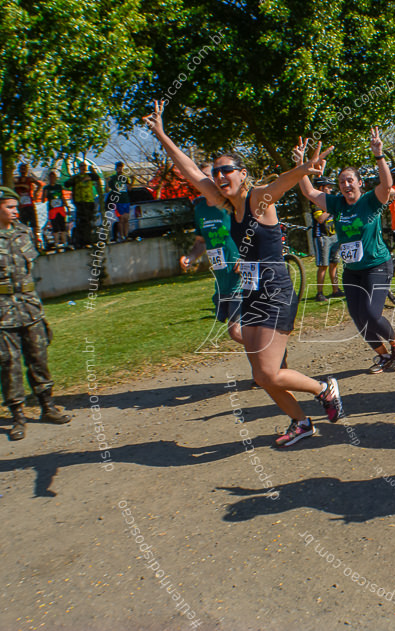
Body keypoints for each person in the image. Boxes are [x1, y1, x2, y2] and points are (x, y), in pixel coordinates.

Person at [144, 100, 343, 448]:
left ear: (243, 174)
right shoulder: (225, 204)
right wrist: (162, 135)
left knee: (268, 372)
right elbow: (191, 170)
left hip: (275, 291)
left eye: (228, 171)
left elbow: (280, 185)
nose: (220, 177)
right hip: (250, 291)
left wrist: (304, 170)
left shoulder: (257, 200)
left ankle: (323, 388)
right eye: (217, 173)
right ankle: (300, 422)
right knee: (262, 376)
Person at [295, 132, 395, 375]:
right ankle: (383, 355)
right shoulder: (336, 204)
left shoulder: (370, 201)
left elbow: (387, 185)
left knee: (371, 313)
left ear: (359, 183)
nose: (346, 185)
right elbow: (309, 193)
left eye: (350, 180)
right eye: (342, 181)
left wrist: (379, 155)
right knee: (358, 318)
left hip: (377, 265)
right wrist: (301, 167)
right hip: (353, 271)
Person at [0, 186, 72, 440]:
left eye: (15, 206)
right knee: (9, 364)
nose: (15, 211)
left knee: (39, 358)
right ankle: (18, 416)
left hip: (30, 307)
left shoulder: (23, 232)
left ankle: (47, 407)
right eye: (9, 207)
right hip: (2, 313)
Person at [180, 163, 244, 345]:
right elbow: (201, 241)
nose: (206, 181)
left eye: (210, 176)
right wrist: (190, 258)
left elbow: (251, 231)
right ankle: (271, 365)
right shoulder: (200, 209)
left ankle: (272, 358)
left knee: (236, 332)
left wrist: (244, 256)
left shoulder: (231, 203)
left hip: (241, 274)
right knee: (244, 330)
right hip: (221, 278)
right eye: (200, 178)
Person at [309, 176, 344, 302]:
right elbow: (320, 218)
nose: (330, 189)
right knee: (323, 265)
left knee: (334, 263)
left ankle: (336, 290)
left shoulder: (329, 200)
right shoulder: (316, 201)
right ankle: (320, 292)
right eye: (328, 187)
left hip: (333, 235)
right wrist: (331, 208)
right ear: (321, 188)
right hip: (322, 236)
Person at [64, 161, 101, 249]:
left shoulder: (89, 176)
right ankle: (82, 241)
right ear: (79, 168)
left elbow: (97, 177)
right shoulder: (76, 177)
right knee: (82, 222)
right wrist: (75, 180)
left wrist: (91, 172)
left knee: (89, 221)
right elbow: (67, 184)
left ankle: (88, 240)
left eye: (84, 166)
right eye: (81, 166)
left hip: (89, 201)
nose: (83, 168)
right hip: (80, 202)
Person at [13, 163, 43, 245]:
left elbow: (39, 184)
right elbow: (13, 185)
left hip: (29, 204)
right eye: (21, 169)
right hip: (21, 206)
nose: (23, 171)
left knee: (34, 223)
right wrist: (22, 185)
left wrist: (36, 193)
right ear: (19, 170)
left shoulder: (29, 179)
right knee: (23, 224)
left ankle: (36, 240)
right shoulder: (16, 179)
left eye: (24, 169)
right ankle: (25, 241)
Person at [106, 161, 135, 242]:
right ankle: (121, 236)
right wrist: (107, 182)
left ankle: (126, 235)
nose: (120, 170)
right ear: (116, 169)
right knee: (121, 219)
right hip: (118, 201)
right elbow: (107, 189)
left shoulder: (125, 178)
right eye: (118, 168)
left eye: (121, 168)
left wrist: (132, 181)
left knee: (126, 219)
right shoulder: (113, 178)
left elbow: (129, 189)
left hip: (126, 200)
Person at [42, 171, 69, 250]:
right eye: (51, 177)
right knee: (55, 227)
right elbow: (43, 199)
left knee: (62, 226)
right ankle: (56, 243)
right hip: (52, 210)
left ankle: (64, 242)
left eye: (54, 177)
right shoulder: (47, 188)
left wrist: (67, 206)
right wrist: (45, 193)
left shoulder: (59, 187)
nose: (52, 179)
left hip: (60, 209)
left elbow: (62, 197)